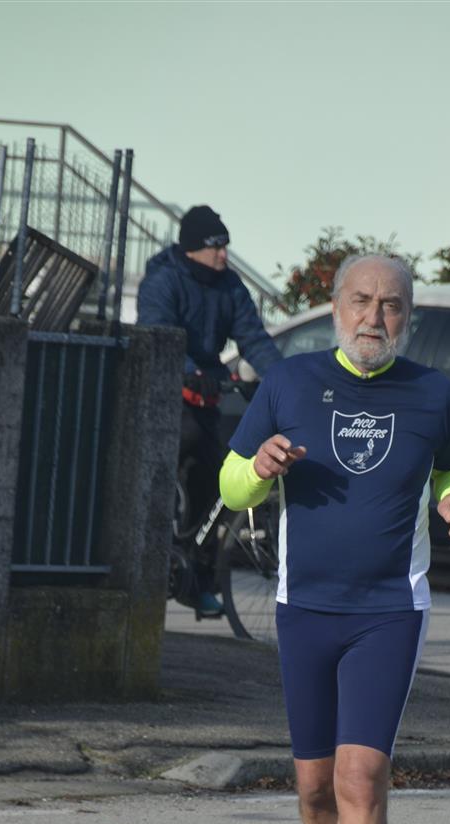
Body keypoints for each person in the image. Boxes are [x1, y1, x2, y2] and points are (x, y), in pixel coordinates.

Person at [218, 252, 450, 824]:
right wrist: (259, 466)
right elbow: (231, 484)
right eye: (361, 301)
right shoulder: (289, 383)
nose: (375, 317)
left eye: (391, 304)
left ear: (408, 316)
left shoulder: (433, 394)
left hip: (389, 610)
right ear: (335, 308)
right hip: (304, 606)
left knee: (360, 779)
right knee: (312, 790)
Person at [137, 205, 281, 615]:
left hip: (208, 394)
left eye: (225, 247)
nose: (223, 255)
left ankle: (197, 578)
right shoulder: (163, 280)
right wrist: (189, 372)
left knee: (218, 480)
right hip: (167, 393)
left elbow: (254, 338)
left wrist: (283, 380)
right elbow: (158, 332)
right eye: (216, 247)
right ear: (193, 249)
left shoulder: (230, 285)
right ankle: (155, 548)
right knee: (177, 460)